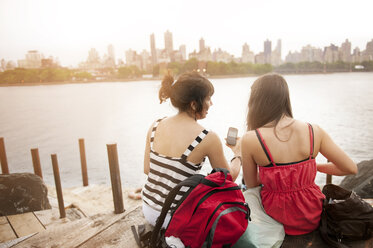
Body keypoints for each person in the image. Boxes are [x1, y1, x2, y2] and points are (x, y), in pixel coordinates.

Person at [241, 73, 357, 235]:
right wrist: (310, 168)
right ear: (284, 98)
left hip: (275, 220)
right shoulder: (314, 130)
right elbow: (350, 168)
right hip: (312, 217)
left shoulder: (250, 139)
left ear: (257, 102)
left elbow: (251, 185)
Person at [142, 71, 241, 227]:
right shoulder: (207, 137)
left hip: (148, 209)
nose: (211, 104)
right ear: (194, 104)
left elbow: (147, 169)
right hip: (172, 218)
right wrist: (238, 155)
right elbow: (228, 179)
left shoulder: (155, 125)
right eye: (208, 98)